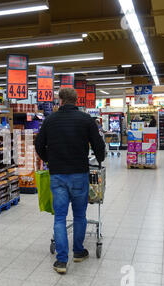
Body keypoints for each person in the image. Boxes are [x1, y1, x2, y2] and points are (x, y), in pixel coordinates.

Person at [35, 87, 106, 275]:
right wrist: (100, 159)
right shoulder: (86, 120)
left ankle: (61, 261)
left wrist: (49, 159)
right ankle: (78, 252)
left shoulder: (50, 120)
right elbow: (99, 145)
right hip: (79, 174)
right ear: (76, 101)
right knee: (79, 215)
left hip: (58, 174)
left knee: (59, 217)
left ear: (60, 101)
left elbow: (38, 145)